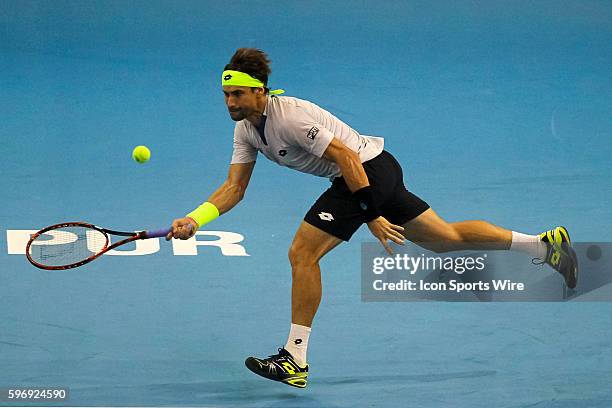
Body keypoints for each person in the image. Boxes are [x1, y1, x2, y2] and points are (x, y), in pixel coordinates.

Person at [166, 48, 578, 388]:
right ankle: (543, 245)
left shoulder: (289, 117)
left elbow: (345, 158)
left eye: (237, 94)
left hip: (364, 174)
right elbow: (234, 188)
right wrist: (195, 219)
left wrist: (371, 213)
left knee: (301, 254)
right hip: (377, 169)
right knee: (446, 238)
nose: (230, 103)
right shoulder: (246, 130)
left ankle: (294, 357)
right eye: (226, 95)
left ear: (259, 93)